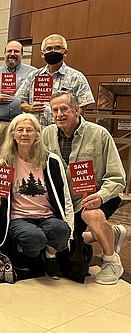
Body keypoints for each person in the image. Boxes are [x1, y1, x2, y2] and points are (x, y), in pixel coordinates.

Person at [43, 91, 126, 284]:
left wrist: (100, 196)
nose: (59, 114)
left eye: (64, 109)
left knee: (92, 215)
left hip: (95, 196)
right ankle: (109, 233)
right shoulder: (46, 134)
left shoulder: (99, 134)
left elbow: (117, 177)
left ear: (77, 110)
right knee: (67, 243)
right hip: (65, 201)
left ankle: (111, 261)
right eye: (55, 110)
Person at [0, 113, 74, 279]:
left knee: (61, 230)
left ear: (37, 134)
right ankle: (27, 255)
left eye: (29, 130)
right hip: (19, 217)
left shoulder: (52, 161)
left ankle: (50, 257)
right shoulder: (4, 163)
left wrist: (69, 224)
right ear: (13, 135)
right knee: (34, 238)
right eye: (20, 130)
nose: (25, 134)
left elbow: (65, 196)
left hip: (47, 215)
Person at [16, 34, 94, 127]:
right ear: (42, 54)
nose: (53, 51)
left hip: (63, 132)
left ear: (65, 52)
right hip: (37, 132)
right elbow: (21, 103)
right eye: (49, 49)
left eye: (57, 48)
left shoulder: (77, 77)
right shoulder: (33, 76)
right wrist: (31, 108)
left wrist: (70, 126)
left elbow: (83, 106)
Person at [0, 41, 36, 164]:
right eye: (9, 51)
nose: (12, 54)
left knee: (24, 161)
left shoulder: (33, 73)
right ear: (4, 54)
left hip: (23, 127)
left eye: (16, 51)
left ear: (22, 54)